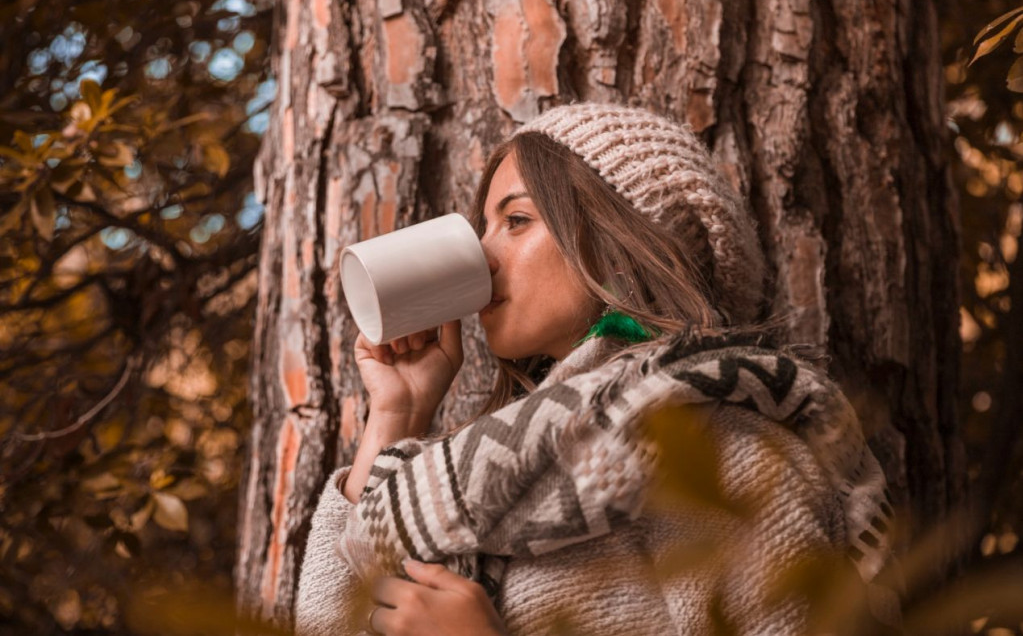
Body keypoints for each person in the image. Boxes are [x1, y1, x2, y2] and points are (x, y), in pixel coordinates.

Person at [295, 103, 900, 635]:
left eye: (517, 221)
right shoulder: (481, 474)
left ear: (620, 242)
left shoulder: (717, 448)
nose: (481, 255)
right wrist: (396, 413)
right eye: (485, 226)